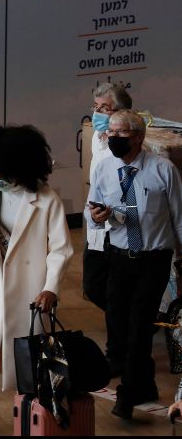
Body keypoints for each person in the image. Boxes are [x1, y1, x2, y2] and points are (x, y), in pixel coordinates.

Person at [0, 125, 73, 436]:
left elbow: (61, 249)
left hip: (30, 289)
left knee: (29, 362)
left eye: (0, 173)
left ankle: (28, 423)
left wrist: (51, 287)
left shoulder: (47, 200)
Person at [86, 109, 182, 420]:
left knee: (140, 327)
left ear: (138, 137)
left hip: (153, 258)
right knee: (119, 324)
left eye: (120, 135)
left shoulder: (163, 170)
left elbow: (180, 218)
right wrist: (96, 217)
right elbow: (91, 210)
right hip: (118, 255)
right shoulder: (103, 168)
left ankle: (127, 395)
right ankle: (146, 385)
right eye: (110, 134)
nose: (113, 139)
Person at [84, 82, 132, 315]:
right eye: (96, 107)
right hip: (95, 221)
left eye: (105, 108)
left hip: (119, 224)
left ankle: (129, 323)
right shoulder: (96, 137)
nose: (97, 113)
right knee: (93, 286)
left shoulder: (128, 145)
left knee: (115, 286)